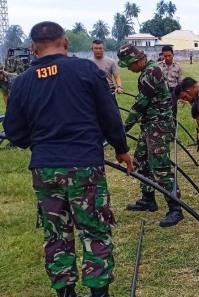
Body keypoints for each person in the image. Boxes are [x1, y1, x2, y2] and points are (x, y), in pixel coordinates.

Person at [3, 21, 133, 297]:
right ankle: (99, 292)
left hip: (45, 169)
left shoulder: (23, 82)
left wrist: (38, 144)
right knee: (95, 229)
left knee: (56, 234)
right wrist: (121, 149)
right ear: (65, 43)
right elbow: (110, 115)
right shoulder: (85, 70)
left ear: (34, 49)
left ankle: (66, 292)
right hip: (84, 165)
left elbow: (14, 132)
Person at [118, 43, 184, 227]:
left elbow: (140, 104)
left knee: (160, 166)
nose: (129, 69)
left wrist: (124, 128)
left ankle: (175, 208)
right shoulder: (148, 71)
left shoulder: (151, 72)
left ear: (136, 60)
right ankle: (148, 198)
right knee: (142, 161)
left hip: (159, 126)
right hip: (149, 125)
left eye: (129, 65)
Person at [158, 45, 182, 118]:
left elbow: (180, 82)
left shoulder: (178, 66)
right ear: (162, 55)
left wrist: (181, 95)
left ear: (173, 55)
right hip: (162, 91)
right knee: (161, 112)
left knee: (173, 112)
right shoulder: (158, 66)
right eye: (165, 56)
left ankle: (173, 128)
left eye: (169, 55)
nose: (167, 58)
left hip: (173, 91)